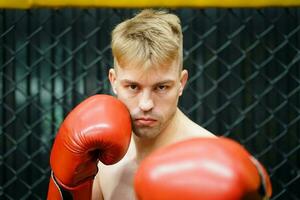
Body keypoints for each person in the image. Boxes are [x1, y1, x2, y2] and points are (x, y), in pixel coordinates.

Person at [47, 9, 271, 200]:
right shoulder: (100, 155)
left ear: (181, 83)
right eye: (133, 87)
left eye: (161, 87)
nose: (145, 104)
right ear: (114, 81)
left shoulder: (209, 167)